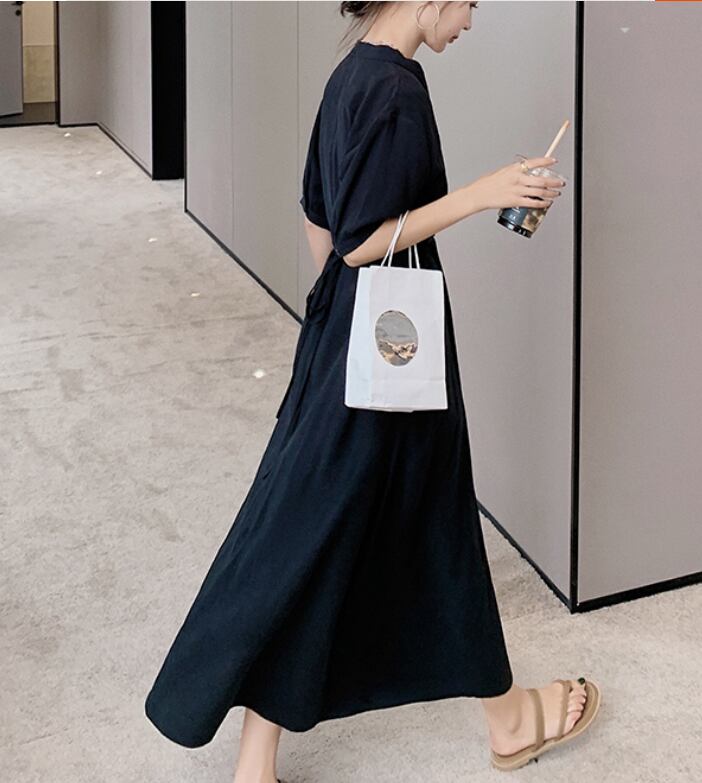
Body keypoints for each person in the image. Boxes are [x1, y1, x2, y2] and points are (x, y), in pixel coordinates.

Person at [145, 2, 600, 779]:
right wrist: (486, 192)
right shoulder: (397, 88)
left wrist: (340, 322)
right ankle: (509, 718)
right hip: (396, 354)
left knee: (309, 527)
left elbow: (318, 220)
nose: (470, 19)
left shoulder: (349, 76)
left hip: (343, 342)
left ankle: (255, 762)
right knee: (430, 527)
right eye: (470, 2)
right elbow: (359, 242)